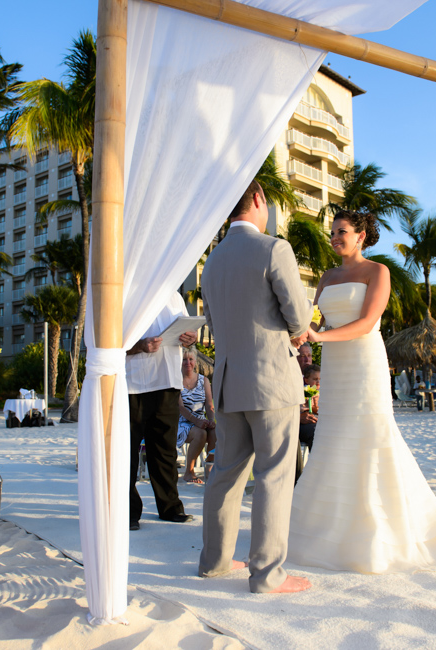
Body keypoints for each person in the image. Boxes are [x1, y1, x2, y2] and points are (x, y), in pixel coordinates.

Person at [290, 210, 436, 574]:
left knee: (369, 435)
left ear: (361, 236)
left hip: (363, 360)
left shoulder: (378, 272)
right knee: (334, 436)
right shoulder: (327, 277)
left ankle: (379, 527)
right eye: (333, 232)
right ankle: (329, 526)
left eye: (343, 231)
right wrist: (299, 329)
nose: (335, 237)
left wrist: (320, 336)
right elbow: (320, 322)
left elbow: (368, 322)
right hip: (336, 362)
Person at [198, 179, 313, 594]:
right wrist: (297, 332)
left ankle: (213, 562)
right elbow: (298, 318)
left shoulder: (212, 261)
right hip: (271, 380)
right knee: (273, 476)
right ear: (260, 200)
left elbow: (212, 322)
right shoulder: (273, 248)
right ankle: (267, 575)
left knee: (225, 473)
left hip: (228, 382)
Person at [127, 291, 197, 531]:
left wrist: (191, 338)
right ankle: (128, 513)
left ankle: (170, 508)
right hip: (132, 384)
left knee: (165, 451)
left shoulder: (174, 296)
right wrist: (140, 345)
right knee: (128, 452)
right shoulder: (127, 291)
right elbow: (109, 342)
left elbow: (188, 333)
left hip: (168, 382)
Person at [177, 347, 215, 484]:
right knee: (201, 434)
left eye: (191, 359)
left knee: (214, 431)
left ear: (195, 361)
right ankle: (189, 472)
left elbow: (209, 405)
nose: (188, 362)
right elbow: (180, 407)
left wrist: (211, 420)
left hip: (200, 421)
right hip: (181, 422)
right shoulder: (175, 379)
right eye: (184, 359)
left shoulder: (203, 380)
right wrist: (196, 421)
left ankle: (210, 470)